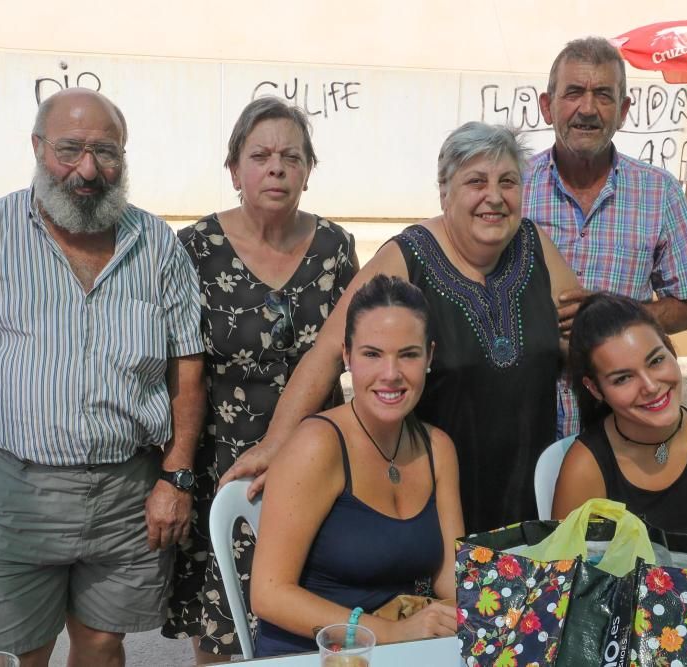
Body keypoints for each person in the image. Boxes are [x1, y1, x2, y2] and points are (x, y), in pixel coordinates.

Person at [0, 88, 205, 666]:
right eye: (70, 150)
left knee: (103, 645)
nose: (87, 170)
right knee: (20, 653)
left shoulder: (157, 245)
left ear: (124, 155)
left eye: (105, 153)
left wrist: (176, 477)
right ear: (37, 148)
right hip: (18, 492)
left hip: (127, 493)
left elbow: (187, 368)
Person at [222, 121, 582, 534]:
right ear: (445, 192)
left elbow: (582, 345)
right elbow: (326, 353)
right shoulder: (408, 256)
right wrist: (276, 445)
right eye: (476, 182)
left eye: (508, 182)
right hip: (426, 498)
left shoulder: (536, 248)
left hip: (525, 493)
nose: (495, 197)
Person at [163, 96, 358, 663]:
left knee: (312, 626)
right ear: (235, 170)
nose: (276, 167)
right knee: (222, 635)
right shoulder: (194, 249)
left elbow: (353, 351)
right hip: (223, 467)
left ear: (306, 172)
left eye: (291, 157)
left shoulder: (333, 248)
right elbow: (179, 368)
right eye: (261, 155)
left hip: (316, 465)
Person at [251, 274, 463, 657]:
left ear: (429, 356)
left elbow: (451, 579)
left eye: (408, 354)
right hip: (311, 653)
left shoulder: (437, 448)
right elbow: (268, 594)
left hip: (396, 650)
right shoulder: (317, 445)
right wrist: (390, 633)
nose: (391, 373)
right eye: (372, 354)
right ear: (346, 356)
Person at [524, 36, 687, 438]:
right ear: (547, 106)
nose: (587, 109)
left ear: (624, 111)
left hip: (619, 417)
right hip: (522, 406)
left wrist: (614, 313)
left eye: (604, 96)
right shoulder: (513, 187)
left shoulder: (658, 192)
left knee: (605, 504)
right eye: (573, 93)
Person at [552, 293, 687, 560]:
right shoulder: (585, 468)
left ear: (670, 349)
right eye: (623, 378)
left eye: (656, 361)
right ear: (595, 388)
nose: (651, 386)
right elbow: (568, 587)